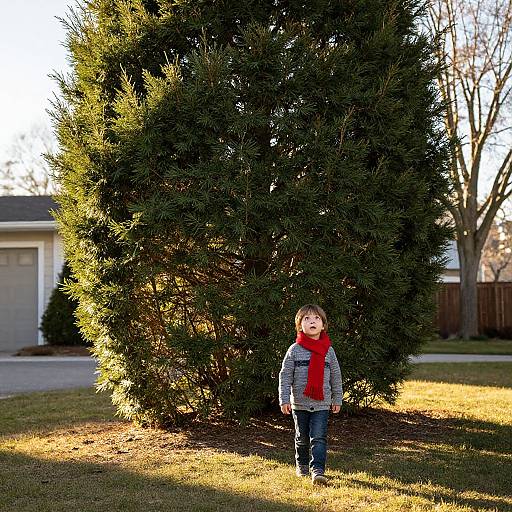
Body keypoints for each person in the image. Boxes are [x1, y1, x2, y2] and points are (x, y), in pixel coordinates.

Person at [278, 304, 343, 485]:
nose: (312, 321)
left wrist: (337, 398)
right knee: (302, 438)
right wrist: (284, 399)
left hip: (322, 403)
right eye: (307, 318)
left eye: (316, 318)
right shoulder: (294, 350)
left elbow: (336, 376)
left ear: (323, 325)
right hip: (299, 403)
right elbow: (285, 376)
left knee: (319, 437)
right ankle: (303, 466)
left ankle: (318, 471)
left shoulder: (328, 351)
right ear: (300, 325)